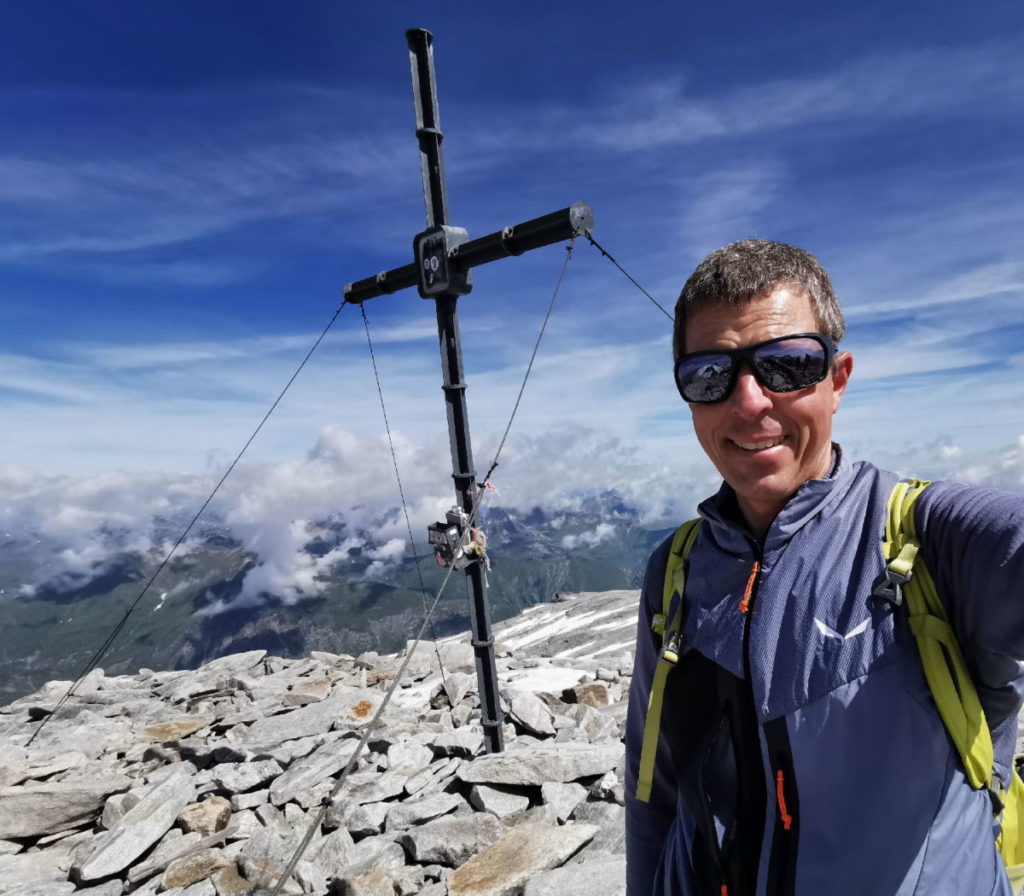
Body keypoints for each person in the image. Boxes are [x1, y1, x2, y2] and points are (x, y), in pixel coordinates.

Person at [624, 239, 1024, 896]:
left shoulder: (933, 540)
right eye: (709, 375)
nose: (749, 402)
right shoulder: (674, 569)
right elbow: (653, 790)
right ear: (689, 399)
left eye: (787, 365)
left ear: (837, 379)